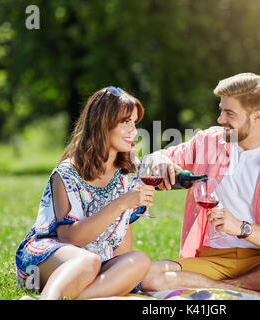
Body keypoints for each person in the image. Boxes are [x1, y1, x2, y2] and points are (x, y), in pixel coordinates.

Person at [141, 73, 260, 295]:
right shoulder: (209, 141)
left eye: (229, 113)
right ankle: (256, 292)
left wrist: (242, 228)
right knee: (147, 275)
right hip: (213, 260)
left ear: (257, 116)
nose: (220, 119)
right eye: (221, 110)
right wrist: (159, 161)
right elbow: (157, 157)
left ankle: (230, 289)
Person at [15, 86, 155, 300]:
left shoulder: (129, 172)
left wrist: (122, 276)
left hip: (96, 263)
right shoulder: (67, 173)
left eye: (134, 123)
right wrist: (121, 203)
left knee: (139, 261)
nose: (134, 132)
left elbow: (122, 232)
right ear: (103, 124)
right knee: (86, 261)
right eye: (126, 122)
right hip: (47, 258)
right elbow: (69, 237)